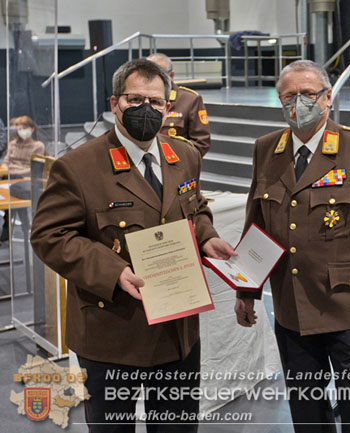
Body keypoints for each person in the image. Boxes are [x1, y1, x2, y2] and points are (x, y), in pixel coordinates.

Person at [30, 59, 236, 433]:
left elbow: (196, 207)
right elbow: (49, 235)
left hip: (177, 333)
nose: (146, 108)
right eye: (134, 98)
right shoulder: (78, 167)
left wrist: (206, 237)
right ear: (114, 104)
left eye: (155, 102)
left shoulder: (184, 155)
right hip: (112, 332)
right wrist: (113, 270)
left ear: (168, 108)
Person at [234, 60, 350, 433]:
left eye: (308, 94)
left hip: (346, 308)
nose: (299, 103)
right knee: (306, 409)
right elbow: (256, 225)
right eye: (289, 96)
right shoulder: (267, 149)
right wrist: (247, 290)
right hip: (291, 307)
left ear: (328, 98)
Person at [147, 53, 211, 157]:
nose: (152, 80)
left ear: (171, 76)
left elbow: (201, 143)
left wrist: (171, 160)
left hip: (176, 166)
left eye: (158, 75)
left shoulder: (190, 100)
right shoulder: (139, 100)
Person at [0, 115, 45, 242]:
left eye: (24, 128)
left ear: (31, 128)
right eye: (19, 128)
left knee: (13, 179)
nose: (21, 131)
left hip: (25, 180)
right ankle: (20, 226)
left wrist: (13, 170)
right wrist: (7, 169)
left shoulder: (38, 146)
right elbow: (6, 161)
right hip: (11, 177)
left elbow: (33, 169)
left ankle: (12, 227)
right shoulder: (13, 143)